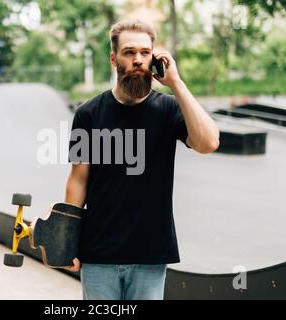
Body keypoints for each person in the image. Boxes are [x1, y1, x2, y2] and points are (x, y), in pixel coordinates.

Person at [64, 19, 220, 300]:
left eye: (145, 53)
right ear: (114, 58)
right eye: (129, 52)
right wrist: (67, 241)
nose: (138, 59)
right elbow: (78, 178)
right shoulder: (88, 114)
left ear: (154, 57)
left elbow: (208, 143)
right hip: (99, 254)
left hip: (150, 254)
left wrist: (176, 83)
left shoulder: (169, 109)